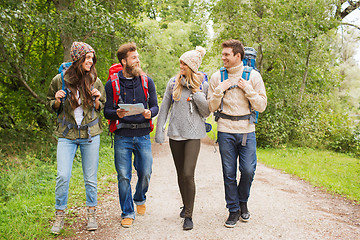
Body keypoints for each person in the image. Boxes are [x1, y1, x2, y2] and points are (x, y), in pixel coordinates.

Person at [46, 42, 106, 234]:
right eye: (87, 58)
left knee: (90, 178)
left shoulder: (94, 80)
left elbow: (100, 107)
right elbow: (49, 104)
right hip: (66, 134)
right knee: (63, 176)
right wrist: (56, 100)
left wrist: (97, 100)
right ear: (77, 59)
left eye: (92, 58)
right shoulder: (60, 80)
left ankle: (91, 214)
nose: (91, 61)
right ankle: (59, 216)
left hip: (90, 134)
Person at [207, 39, 267, 228]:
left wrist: (249, 90)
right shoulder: (217, 76)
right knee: (229, 173)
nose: (223, 57)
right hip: (225, 130)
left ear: (237, 56)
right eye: (223, 54)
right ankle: (233, 210)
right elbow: (211, 106)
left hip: (247, 130)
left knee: (248, 171)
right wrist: (218, 92)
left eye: (226, 54)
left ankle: (243, 202)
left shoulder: (253, 76)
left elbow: (262, 106)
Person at [104, 42, 159, 228]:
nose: (137, 61)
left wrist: (150, 112)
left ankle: (140, 197)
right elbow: (106, 111)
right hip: (122, 135)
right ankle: (127, 212)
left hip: (143, 134)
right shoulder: (112, 84)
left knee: (146, 172)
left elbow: (155, 106)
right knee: (124, 176)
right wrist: (116, 114)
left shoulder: (147, 81)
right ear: (124, 61)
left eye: (137, 57)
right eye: (133, 58)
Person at [155, 46, 210, 230]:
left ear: (192, 66)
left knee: (188, 173)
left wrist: (196, 93)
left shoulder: (203, 84)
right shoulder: (173, 83)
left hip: (194, 135)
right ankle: (186, 204)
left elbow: (206, 111)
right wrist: (159, 130)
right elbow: (164, 108)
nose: (181, 66)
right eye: (180, 62)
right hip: (175, 134)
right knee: (180, 174)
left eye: (184, 63)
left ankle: (189, 215)